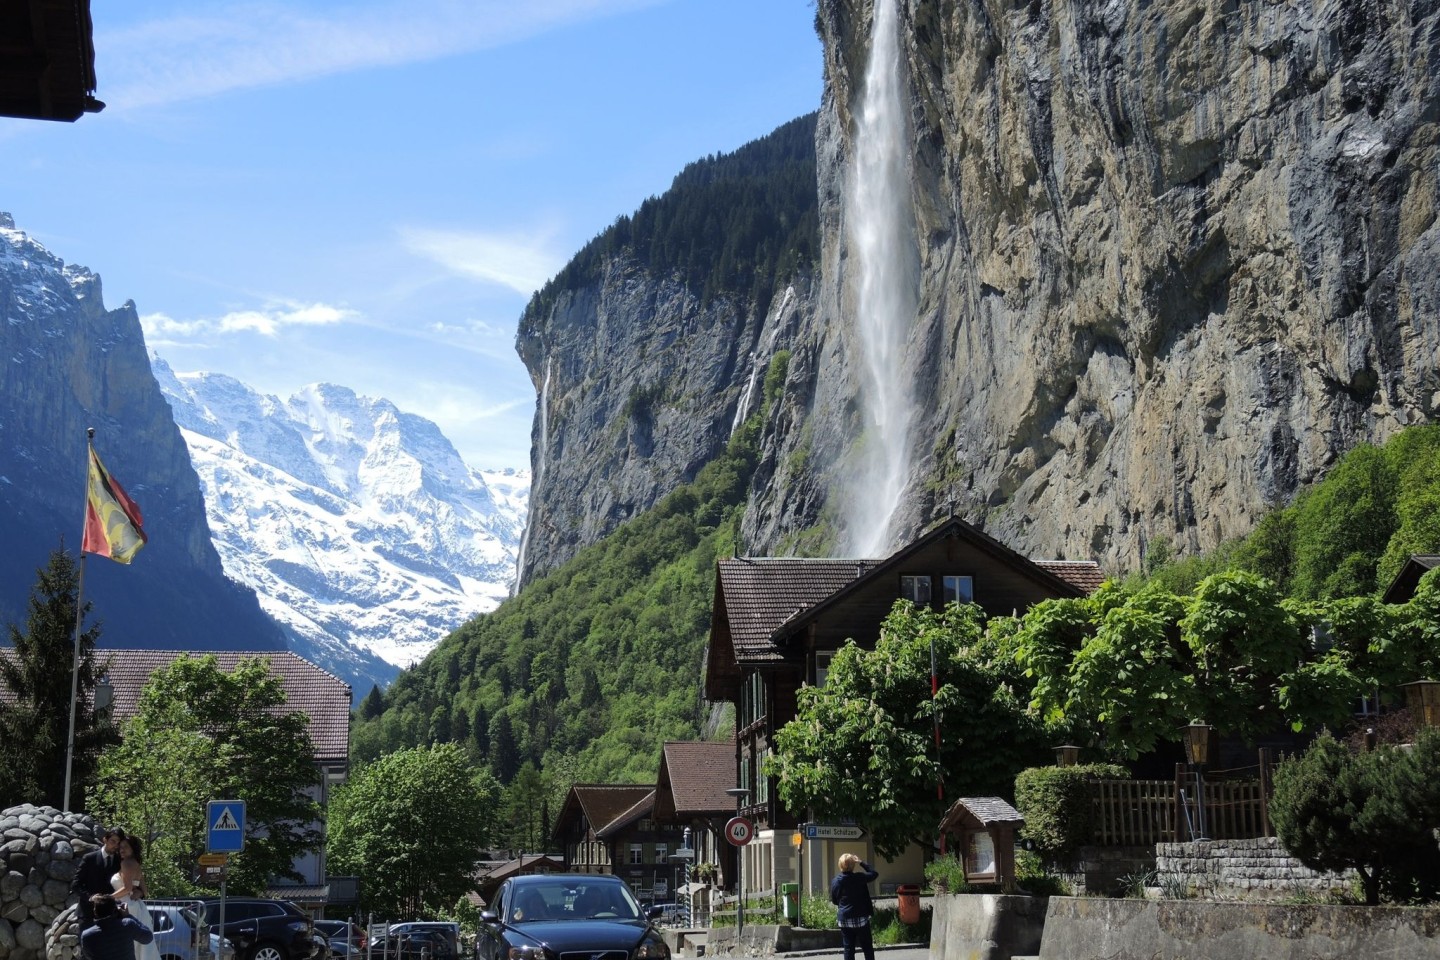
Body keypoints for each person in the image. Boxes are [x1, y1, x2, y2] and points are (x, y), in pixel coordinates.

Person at [111, 835, 161, 960]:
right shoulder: (136, 864)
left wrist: (108, 897)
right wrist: (138, 893)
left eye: (125, 847)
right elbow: (145, 891)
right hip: (137, 906)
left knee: (129, 945)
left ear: (133, 848)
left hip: (125, 907)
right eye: (120, 847)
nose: (121, 850)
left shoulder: (126, 863)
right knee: (140, 945)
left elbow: (127, 888)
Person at [73, 827, 126, 926]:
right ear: (105, 839)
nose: (115, 845)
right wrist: (91, 897)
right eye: (113, 841)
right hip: (88, 913)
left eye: (118, 843)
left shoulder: (121, 861)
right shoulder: (89, 858)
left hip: (112, 915)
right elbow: (76, 884)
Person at [829, 853, 878, 960]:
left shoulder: (835, 881)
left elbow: (834, 900)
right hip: (861, 918)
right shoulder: (860, 877)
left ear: (840, 865)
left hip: (844, 919)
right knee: (867, 947)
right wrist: (861, 862)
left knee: (848, 949)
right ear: (853, 865)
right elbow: (874, 874)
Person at [81, 895, 154, 960]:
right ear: (114, 909)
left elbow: (88, 955)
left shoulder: (86, 935)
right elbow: (148, 938)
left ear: (95, 912)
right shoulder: (127, 924)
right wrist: (128, 915)